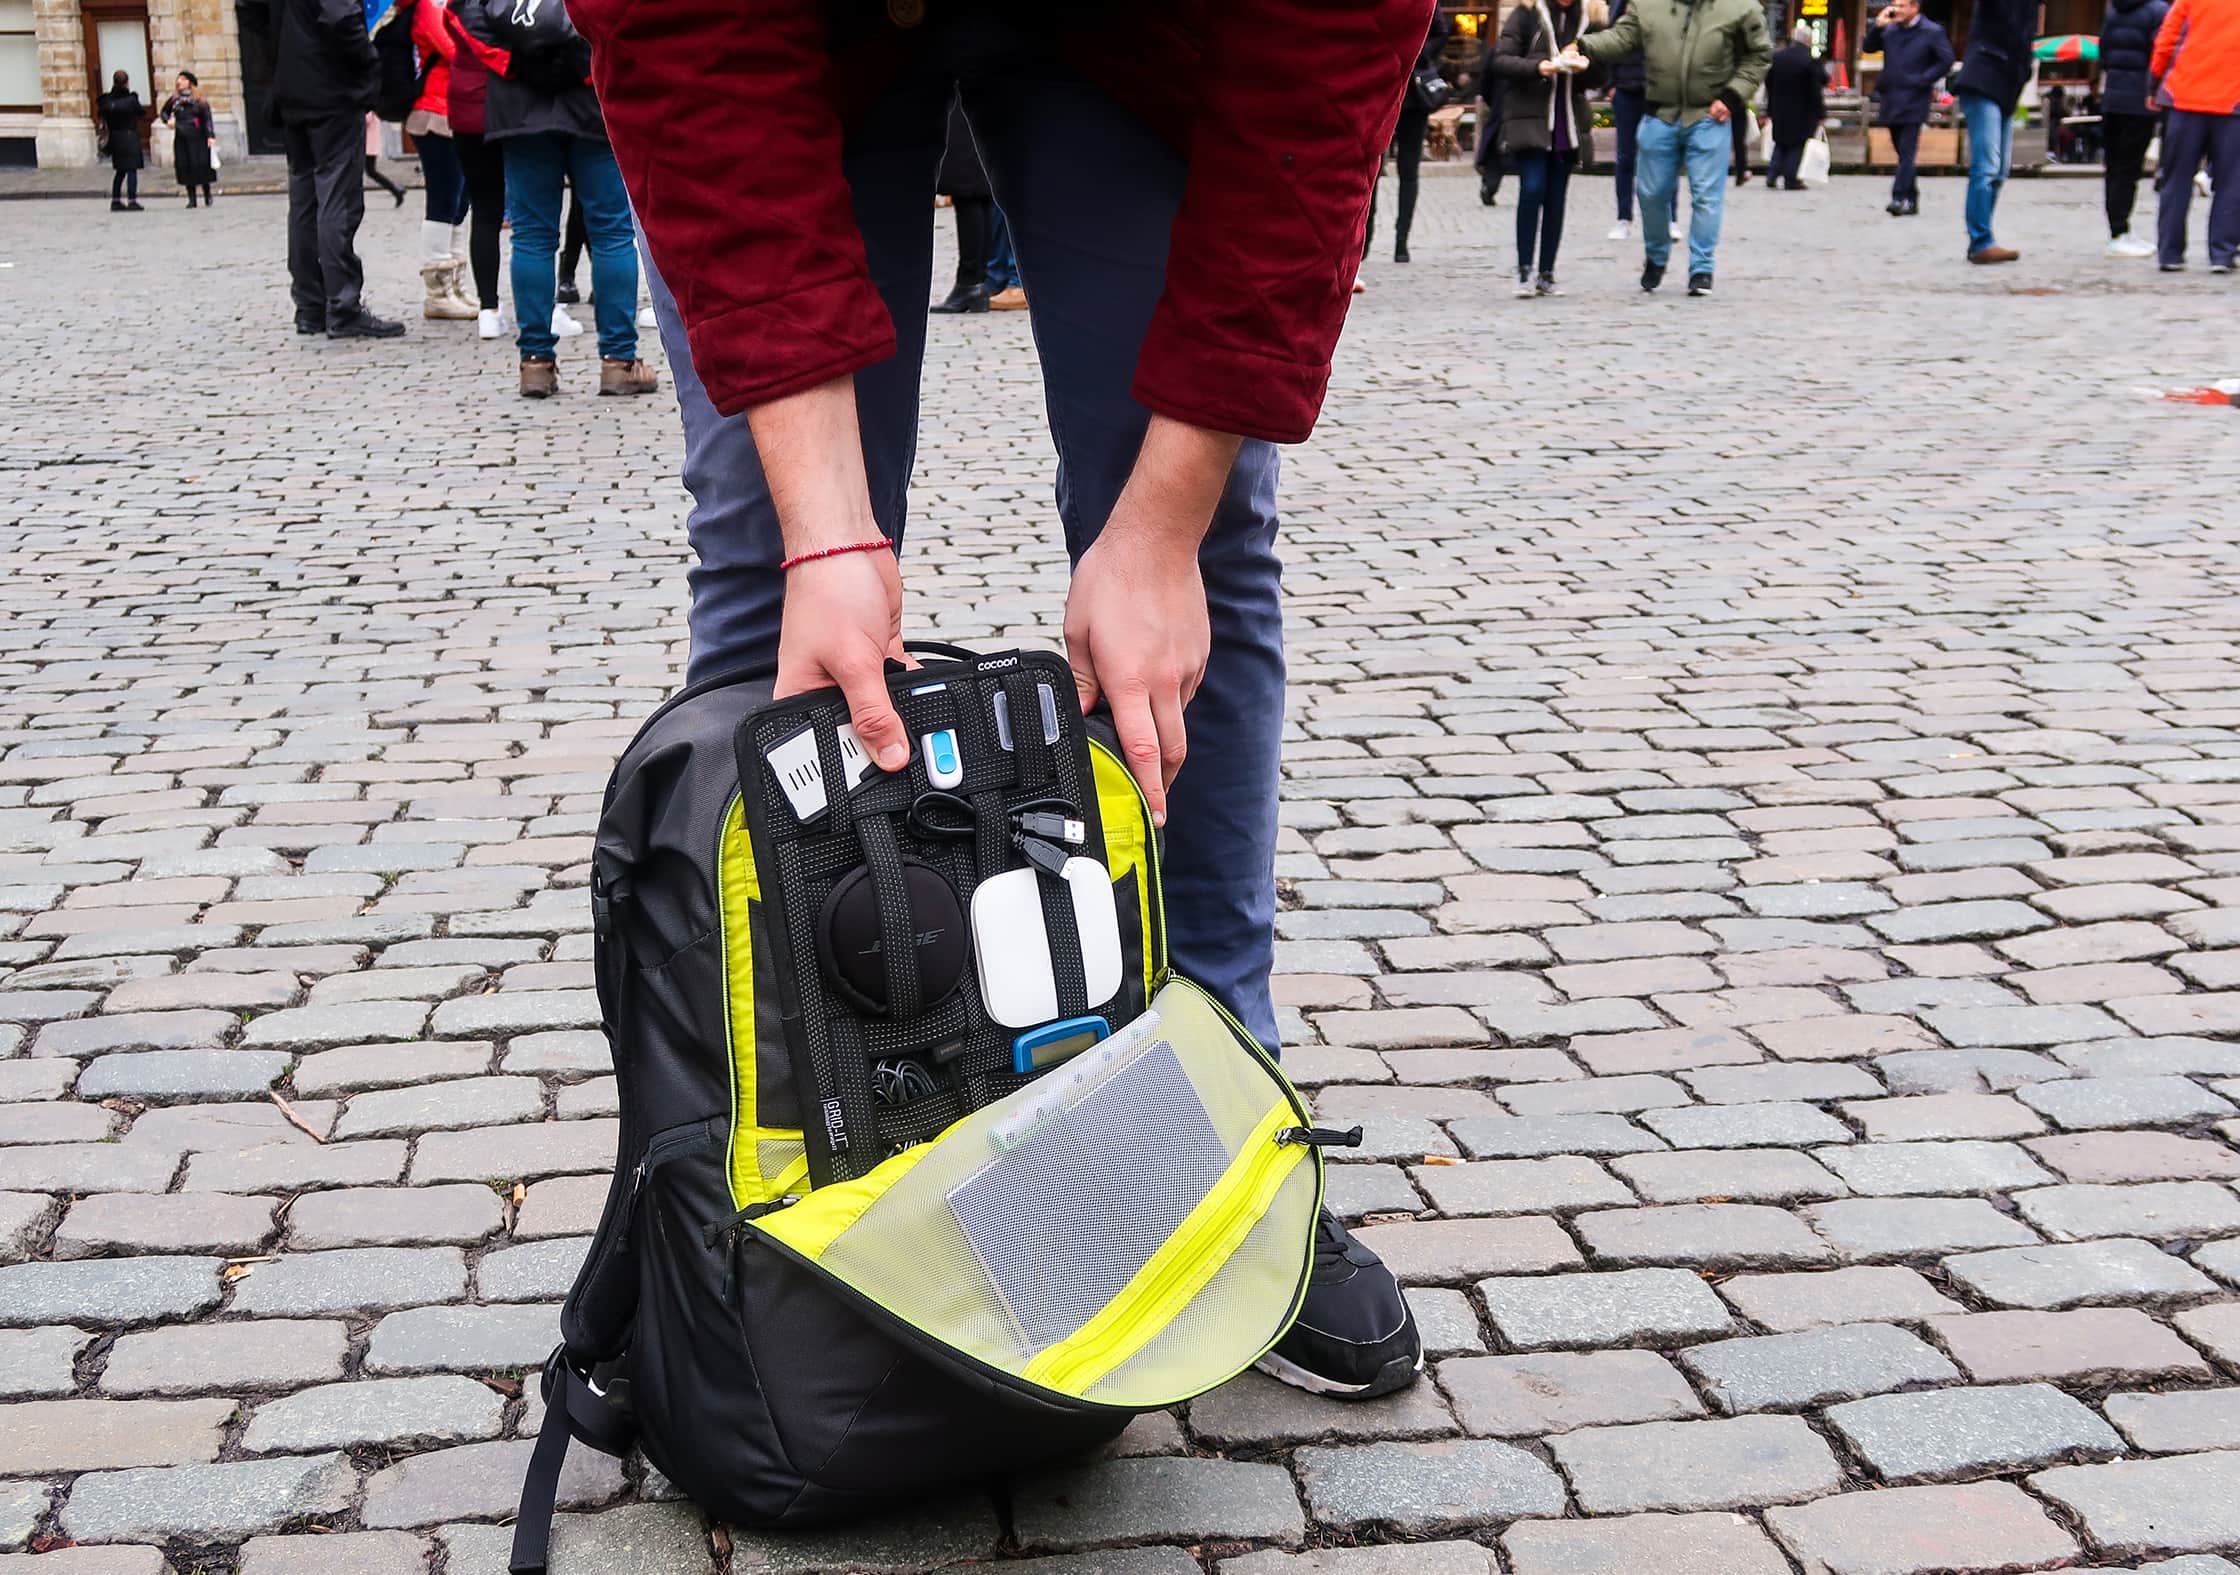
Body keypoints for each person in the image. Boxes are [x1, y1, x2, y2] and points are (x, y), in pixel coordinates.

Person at [570, 0, 1430, 1400]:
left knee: (1205, 541)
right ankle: (738, 1168)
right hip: (787, 36)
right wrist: (831, 533)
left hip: (1135, 40)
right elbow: (691, 47)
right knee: (765, 555)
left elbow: (1313, 92)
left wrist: (1158, 528)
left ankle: (1219, 1115)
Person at [457, 0, 655, 397]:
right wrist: (585, 65)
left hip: (520, 104)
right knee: (612, 233)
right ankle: (619, 360)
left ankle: (535, 361)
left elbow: (464, 17)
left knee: (532, 237)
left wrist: (515, 65)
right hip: (593, 101)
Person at [1572, 0, 1771, 296]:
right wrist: (1583, 45)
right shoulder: (1648, 4)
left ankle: (1701, 268)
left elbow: (1759, 54)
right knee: (1650, 192)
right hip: (1660, 112)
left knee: (1706, 195)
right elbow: (1621, 37)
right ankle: (1656, 255)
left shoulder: (1740, 6)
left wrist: (1733, 96)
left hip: (1709, 113)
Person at [272, 0, 403, 336]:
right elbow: (340, 16)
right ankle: (343, 306)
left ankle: (310, 306)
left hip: (293, 87)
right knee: (336, 198)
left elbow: (254, 15)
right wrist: (368, 65)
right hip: (331, 92)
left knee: (304, 201)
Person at [1493, 0, 1605, 298]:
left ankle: (1546, 272)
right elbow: (1501, 60)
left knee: (1556, 199)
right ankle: (1524, 268)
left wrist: (1584, 64)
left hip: (1567, 123)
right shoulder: (1527, 13)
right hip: (1530, 119)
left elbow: (1603, 73)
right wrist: (1538, 66)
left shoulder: (1590, 17)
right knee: (1532, 188)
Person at [2151, 0, 2240, 272]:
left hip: (2184, 98)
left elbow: (2165, 42)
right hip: (2233, 101)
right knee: (2231, 183)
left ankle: (2170, 253)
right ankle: (2222, 254)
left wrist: (2153, 84)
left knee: (2176, 179)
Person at [406, 0, 478, 320]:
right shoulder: (427, 6)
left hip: (456, 112)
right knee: (443, 199)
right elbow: (455, 49)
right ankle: (437, 290)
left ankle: (456, 285)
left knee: (461, 201)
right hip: (434, 113)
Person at [443, 1, 510, 338]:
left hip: (465, 106)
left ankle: (488, 308)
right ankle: (546, 307)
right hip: (505, 105)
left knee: (484, 211)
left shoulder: (458, 6)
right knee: (532, 216)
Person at [1950, 0, 2034, 263]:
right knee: (1986, 167)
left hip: (2007, 86)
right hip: (1983, 78)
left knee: (1999, 170)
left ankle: (1982, 238)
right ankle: (1981, 241)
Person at [1370, 10, 1452, 263]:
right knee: (1371, 168)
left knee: (1409, 171)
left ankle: (1401, 241)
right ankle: (1364, 238)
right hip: (1380, 91)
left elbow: (1440, 31)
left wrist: (1416, 52)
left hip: (1414, 98)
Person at [1863, 0, 1953, 216]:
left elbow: (1946, 59)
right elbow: (1868, 47)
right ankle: (1912, 198)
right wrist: (1878, 25)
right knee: (1900, 150)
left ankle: (1898, 197)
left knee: (1907, 151)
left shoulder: (1932, 31)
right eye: (1895, 5)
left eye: (1902, 5)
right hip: (1891, 97)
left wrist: (1923, 79)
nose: (1897, 9)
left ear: (1915, 8)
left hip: (1914, 98)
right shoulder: (1891, 29)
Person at [2101, 0, 2169, 256]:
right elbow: (2161, 52)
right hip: (2140, 99)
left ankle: (2116, 228)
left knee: (2113, 167)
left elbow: (2104, 52)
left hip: (2112, 98)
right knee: (2129, 169)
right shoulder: (2157, 11)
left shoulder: (2114, 9)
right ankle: (2121, 232)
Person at [933, 100, 995, 314]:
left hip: (964, 101)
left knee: (967, 190)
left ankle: (970, 282)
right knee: (977, 191)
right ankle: (975, 282)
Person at [1763, 26, 1827, 190]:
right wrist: (1821, 113)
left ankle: (1772, 174)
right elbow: (1816, 89)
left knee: (1780, 142)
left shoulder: (1777, 57)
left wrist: (1770, 108)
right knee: (1797, 144)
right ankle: (1791, 179)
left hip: (1779, 108)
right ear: (1808, 40)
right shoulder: (1809, 60)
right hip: (1802, 110)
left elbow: (1768, 83)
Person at [1605, 0, 1648, 239]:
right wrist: (1611, 84)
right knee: (1625, 157)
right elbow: (1610, 41)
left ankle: (1669, 218)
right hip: (1625, 88)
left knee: (1664, 154)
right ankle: (1624, 218)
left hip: (1656, 89)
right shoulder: (1619, 6)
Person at [161, 70, 217, 207]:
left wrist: (210, 135)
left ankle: (207, 193)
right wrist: (168, 121)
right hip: (182, 136)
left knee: (201, 165)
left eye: (183, 79)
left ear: (189, 83)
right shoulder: (175, 99)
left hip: (198, 136)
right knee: (185, 166)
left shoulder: (199, 100)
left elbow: (207, 118)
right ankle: (191, 198)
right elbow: (164, 112)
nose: (179, 82)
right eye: (178, 79)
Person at [97, 71, 145, 212]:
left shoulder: (107, 101)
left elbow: (102, 114)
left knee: (120, 171)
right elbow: (141, 112)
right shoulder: (130, 100)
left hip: (115, 138)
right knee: (131, 170)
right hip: (129, 136)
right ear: (126, 82)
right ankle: (132, 200)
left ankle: (116, 200)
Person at [363, 114, 407, 204]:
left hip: (368, 147)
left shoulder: (369, 111)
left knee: (371, 172)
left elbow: (365, 121)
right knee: (370, 172)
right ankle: (396, 190)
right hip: (367, 146)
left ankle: (396, 190)